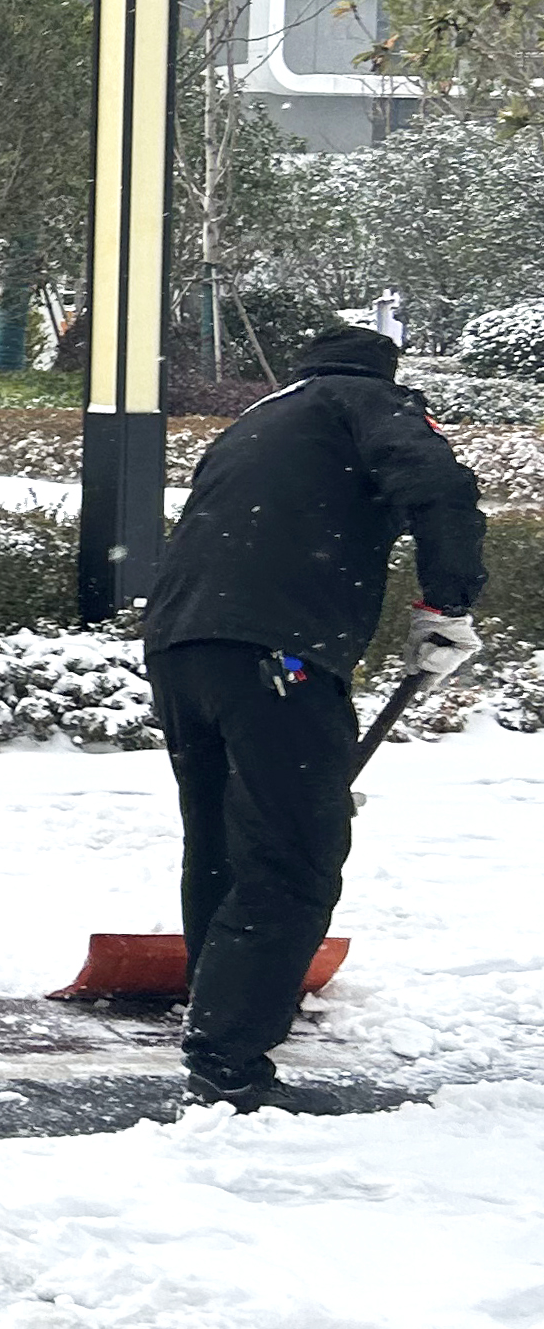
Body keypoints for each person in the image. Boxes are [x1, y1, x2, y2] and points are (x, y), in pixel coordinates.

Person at [141, 322, 485, 1114]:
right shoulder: (371, 402)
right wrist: (447, 602)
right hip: (280, 653)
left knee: (226, 838)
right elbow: (442, 488)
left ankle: (220, 1006)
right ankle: (229, 1056)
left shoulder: (261, 418)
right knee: (296, 850)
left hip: (182, 648)